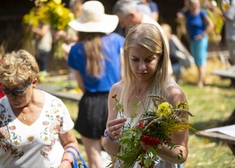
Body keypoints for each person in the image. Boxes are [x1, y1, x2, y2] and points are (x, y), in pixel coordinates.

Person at [102, 23, 189, 168]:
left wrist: (155, 146)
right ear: (126, 57)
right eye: (135, 59)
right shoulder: (117, 91)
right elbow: (113, 153)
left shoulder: (172, 95)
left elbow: (182, 154)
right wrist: (110, 136)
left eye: (149, 60)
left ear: (161, 58)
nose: (142, 67)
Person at [67, 1, 125, 168]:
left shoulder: (75, 49)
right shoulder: (118, 41)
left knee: (94, 158)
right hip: (116, 101)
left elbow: (81, 84)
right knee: (119, 157)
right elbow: (124, 75)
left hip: (90, 104)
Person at [0, 49, 79, 168]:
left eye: (18, 91)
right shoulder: (1, 110)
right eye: (6, 90)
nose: (11, 96)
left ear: (34, 83)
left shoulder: (54, 106)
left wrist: (67, 162)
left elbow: (70, 143)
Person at [113, 0, 173, 76]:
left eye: (122, 21)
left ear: (132, 15)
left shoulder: (152, 31)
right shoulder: (137, 29)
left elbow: (162, 63)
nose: (122, 25)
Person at [178, 0, 214, 87]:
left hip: (201, 40)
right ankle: (201, 79)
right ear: (189, 5)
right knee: (197, 60)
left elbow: (211, 24)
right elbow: (186, 25)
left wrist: (202, 35)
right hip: (192, 39)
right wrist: (187, 36)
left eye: (197, 4)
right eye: (193, 4)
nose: (195, 6)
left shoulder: (202, 13)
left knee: (201, 60)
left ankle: (200, 83)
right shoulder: (187, 13)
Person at [221, 0, 235, 65]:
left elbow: (228, 17)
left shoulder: (233, 4)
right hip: (232, 34)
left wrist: (223, 11)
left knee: (234, 58)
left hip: (232, 35)